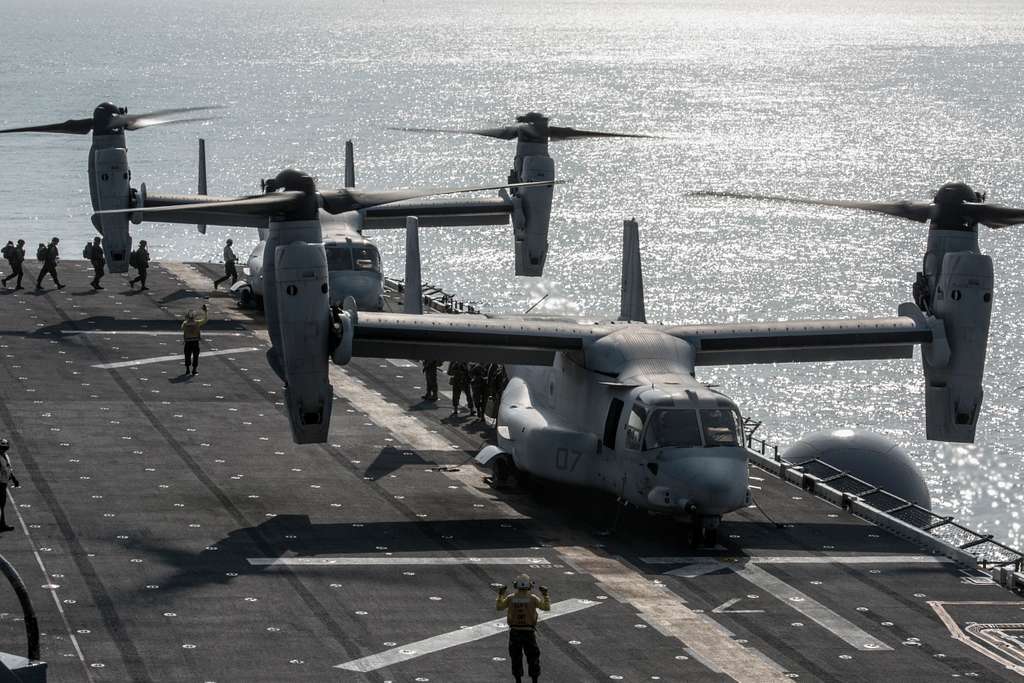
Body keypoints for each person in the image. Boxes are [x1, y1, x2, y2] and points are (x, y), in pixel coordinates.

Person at [495, 574, 550, 683]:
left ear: (516, 585)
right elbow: (546, 607)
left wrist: (500, 594)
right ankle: (534, 680)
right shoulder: (533, 598)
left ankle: (518, 680)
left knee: (516, 658)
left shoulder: (511, 598)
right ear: (529, 586)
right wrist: (545, 595)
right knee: (533, 658)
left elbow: (499, 607)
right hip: (529, 632)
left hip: (515, 632)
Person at [181, 304, 208, 376]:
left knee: (187, 356)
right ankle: (194, 370)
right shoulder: (197, 323)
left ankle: (187, 370)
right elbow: (205, 320)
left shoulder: (185, 323)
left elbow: (182, 328)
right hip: (195, 342)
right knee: (195, 356)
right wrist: (205, 312)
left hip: (188, 342)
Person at [0, 439, 21, 532]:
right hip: (0, 483)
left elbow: (8, 468)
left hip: (3, 483)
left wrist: (14, 479)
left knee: (2, 505)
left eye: (5, 448)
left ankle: (2, 524)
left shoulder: (5, 456)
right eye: (1, 448)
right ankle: (2, 525)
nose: (3, 450)